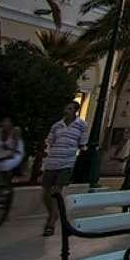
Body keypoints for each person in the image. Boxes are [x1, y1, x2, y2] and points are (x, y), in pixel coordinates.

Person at [40, 101, 88, 236]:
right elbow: (49, 141)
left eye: (70, 108)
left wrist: (80, 153)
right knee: (45, 193)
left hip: (67, 162)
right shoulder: (57, 125)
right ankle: (53, 214)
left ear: (75, 111)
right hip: (52, 162)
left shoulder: (81, 125)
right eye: (66, 108)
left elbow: (83, 144)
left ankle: (50, 222)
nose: (66, 110)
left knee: (56, 191)